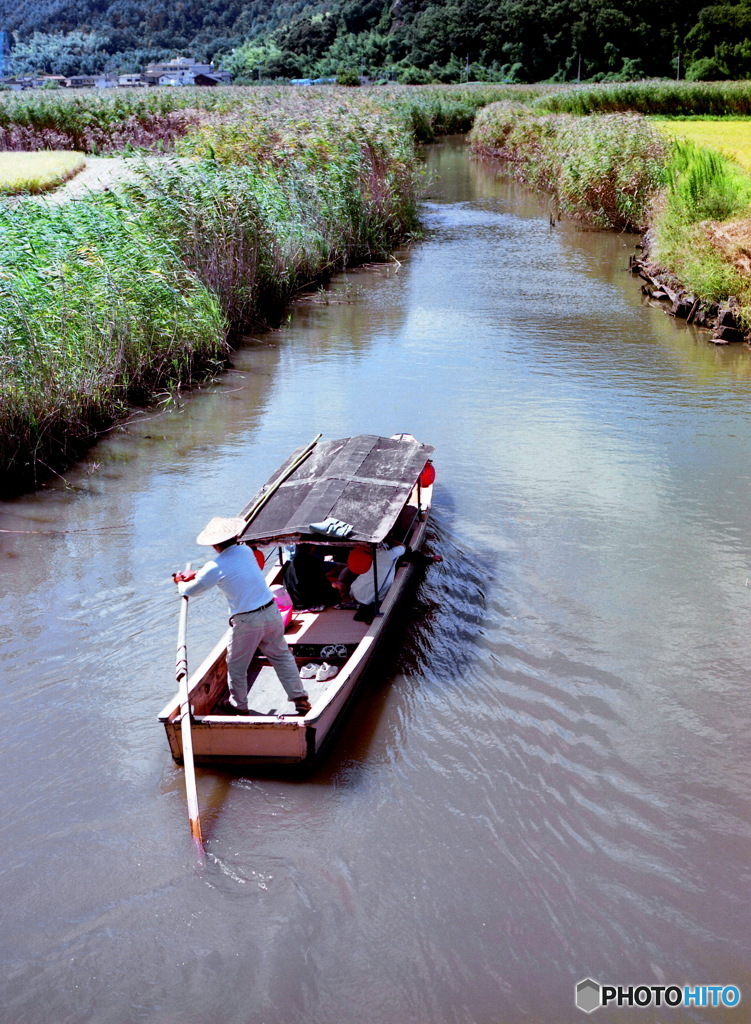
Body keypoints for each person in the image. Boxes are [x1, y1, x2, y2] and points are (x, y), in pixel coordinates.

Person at [173, 516, 311, 715]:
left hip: (247, 621)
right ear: (235, 536)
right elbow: (226, 568)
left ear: (214, 545)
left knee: (236, 665)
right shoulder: (245, 551)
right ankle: (300, 698)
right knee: (281, 656)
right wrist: (197, 573)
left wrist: (180, 582)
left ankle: (239, 705)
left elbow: (189, 590)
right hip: (271, 612)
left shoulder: (215, 566)